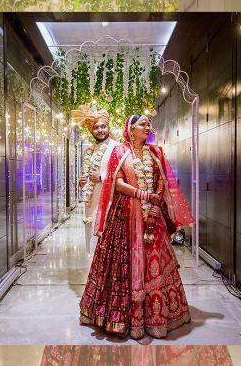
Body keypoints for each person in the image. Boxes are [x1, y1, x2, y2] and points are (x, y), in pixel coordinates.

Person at [79, 114, 195, 339]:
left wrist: (156, 203)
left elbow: (162, 181)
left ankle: (156, 317)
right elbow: (117, 182)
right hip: (125, 213)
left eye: (148, 124)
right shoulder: (120, 151)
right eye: (143, 124)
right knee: (123, 260)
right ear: (131, 129)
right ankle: (123, 318)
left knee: (155, 259)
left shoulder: (156, 152)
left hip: (152, 215)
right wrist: (144, 195)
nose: (147, 127)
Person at [71, 105, 118, 254]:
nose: (100, 130)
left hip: (110, 202)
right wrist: (82, 183)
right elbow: (88, 175)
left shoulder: (117, 148)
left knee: (109, 244)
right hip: (91, 203)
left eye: (103, 126)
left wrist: (102, 177)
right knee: (94, 245)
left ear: (108, 127)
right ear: (91, 131)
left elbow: (125, 176)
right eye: (96, 127)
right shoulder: (89, 150)